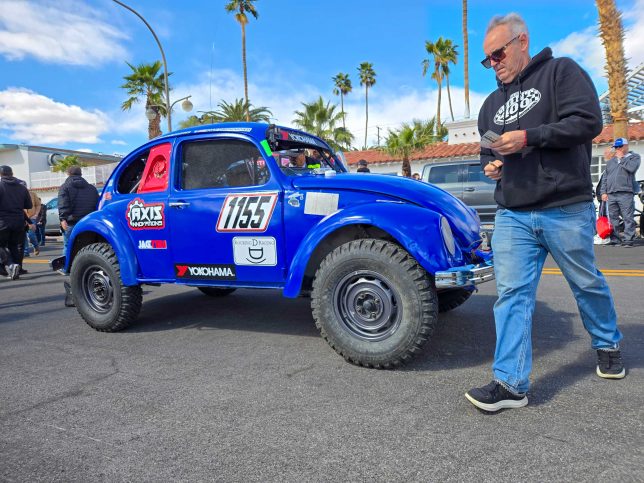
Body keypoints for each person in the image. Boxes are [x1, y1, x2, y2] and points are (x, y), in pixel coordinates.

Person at [466, 13, 624, 413]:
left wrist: (528, 137)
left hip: (565, 207)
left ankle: (607, 344)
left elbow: (588, 123)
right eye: (487, 59)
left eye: (498, 53)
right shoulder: (490, 104)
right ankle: (511, 383)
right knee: (512, 295)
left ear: (522, 41)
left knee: (585, 283)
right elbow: (489, 151)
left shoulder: (560, 72)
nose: (494, 63)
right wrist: (492, 166)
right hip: (514, 214)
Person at [600, 138, 641, 247]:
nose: (618, 149)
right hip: (611, 193)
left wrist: (622, 158)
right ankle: (616, 239)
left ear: (626, 146)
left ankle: (628, 240)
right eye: (616, 147)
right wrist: (603, 192)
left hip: (625, 192)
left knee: (628, 217)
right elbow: (605, 178)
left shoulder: (634, 158)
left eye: (620, 147)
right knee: (613, 217)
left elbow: (631, 169)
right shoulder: (611, 162)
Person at [0, 165, 32, 280]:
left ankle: (10, 264)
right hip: (18, 221)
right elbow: (29, 205)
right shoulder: (22, 188)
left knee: (1, 245)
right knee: (14, 246)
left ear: (1, 174)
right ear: (12, 173)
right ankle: (16, 269)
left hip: (3, 221)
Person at [58, 166, 99, 253]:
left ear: (68, 174)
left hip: (71, 222)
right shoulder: (92, 188)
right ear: (81, 174)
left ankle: (67, 266)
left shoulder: (65, 187)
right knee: (88, 247)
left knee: (68, 246)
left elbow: (63, 204)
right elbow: (97, 204)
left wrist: (62, 218)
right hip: (88, 222)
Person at [24, 190, 41, 257]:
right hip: (22, 218)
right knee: (23, 236)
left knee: (31, 235)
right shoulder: (17, 193)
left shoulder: (32, 194)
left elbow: (38, 205)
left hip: (31, 218)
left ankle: (36, 246)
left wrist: (36, 214)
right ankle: (26, 252)